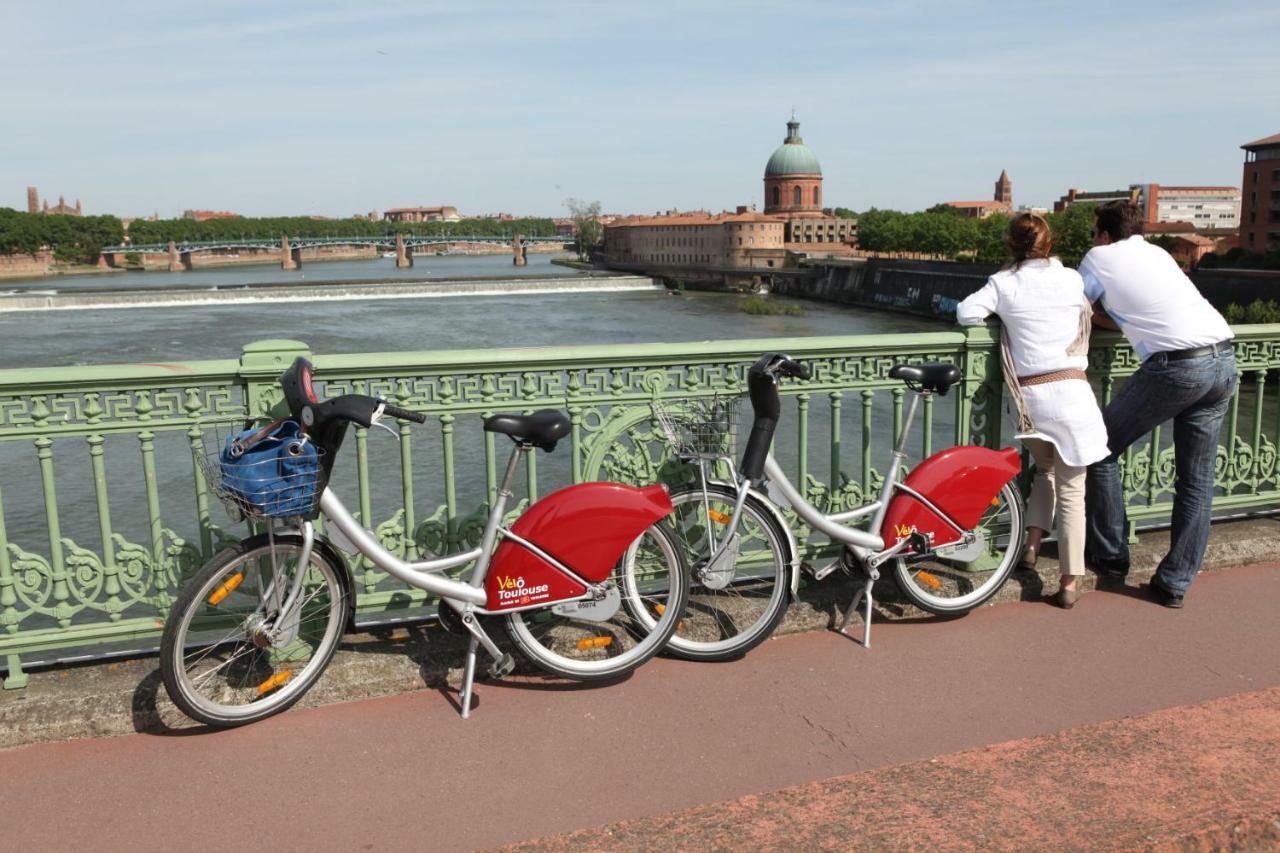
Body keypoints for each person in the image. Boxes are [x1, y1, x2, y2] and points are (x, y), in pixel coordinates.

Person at [1081, 201, 1237, 608]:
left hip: (1177, 367)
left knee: (1099, 447)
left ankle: (1111, 556)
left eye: (1094, 231)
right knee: (1197, 481)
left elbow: (1076, 306)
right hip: (1224, 358)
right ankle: (1174, 582)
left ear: (1105, 234)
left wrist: (1102, 319)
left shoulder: (1099, 257)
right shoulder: (1160, 254)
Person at [957, 213, 1110, 608]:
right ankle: (1069, 581)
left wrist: (1005, 318)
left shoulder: (1003, 284)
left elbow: (966, 313)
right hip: (1072, 393)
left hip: (1032, 401)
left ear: (1010, 245)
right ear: (1050, 243)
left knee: (1044, 470)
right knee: (1073, 489)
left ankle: (1029, 546)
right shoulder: (1071, 279)